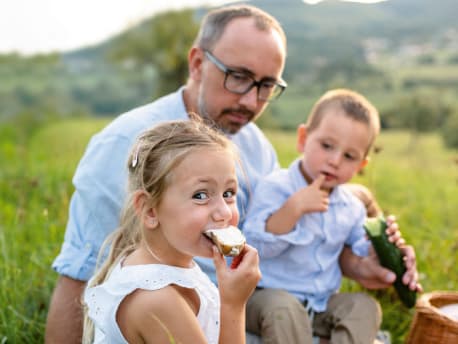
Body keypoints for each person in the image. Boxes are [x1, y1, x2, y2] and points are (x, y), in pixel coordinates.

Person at [45, 5, 420, 343]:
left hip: (242, 314)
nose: (251, 101)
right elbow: (78, 276)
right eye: (238, 77)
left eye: (266, 86)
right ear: (196, 63)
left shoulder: (253, 145)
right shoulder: (126, 146)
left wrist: (360, 264)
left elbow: (281, 238)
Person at [242, 89, 422, 344]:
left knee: (364, 307)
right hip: (265, 298)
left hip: (320, 303)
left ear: (361, 166)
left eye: (349, 156)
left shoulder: (351, 206)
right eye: (326, 146)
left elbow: (362, 250)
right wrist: (293, 210)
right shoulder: (276, 187)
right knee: (284, 309)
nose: (335, 160)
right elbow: (254, 248)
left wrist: (385, 247)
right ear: (303, 139)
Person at [82, 119, 261, 343]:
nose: (224, 212)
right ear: (149, 211)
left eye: (228, 193)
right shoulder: (157, 300)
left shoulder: (170, 266)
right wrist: (234, 305)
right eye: (201, 195)